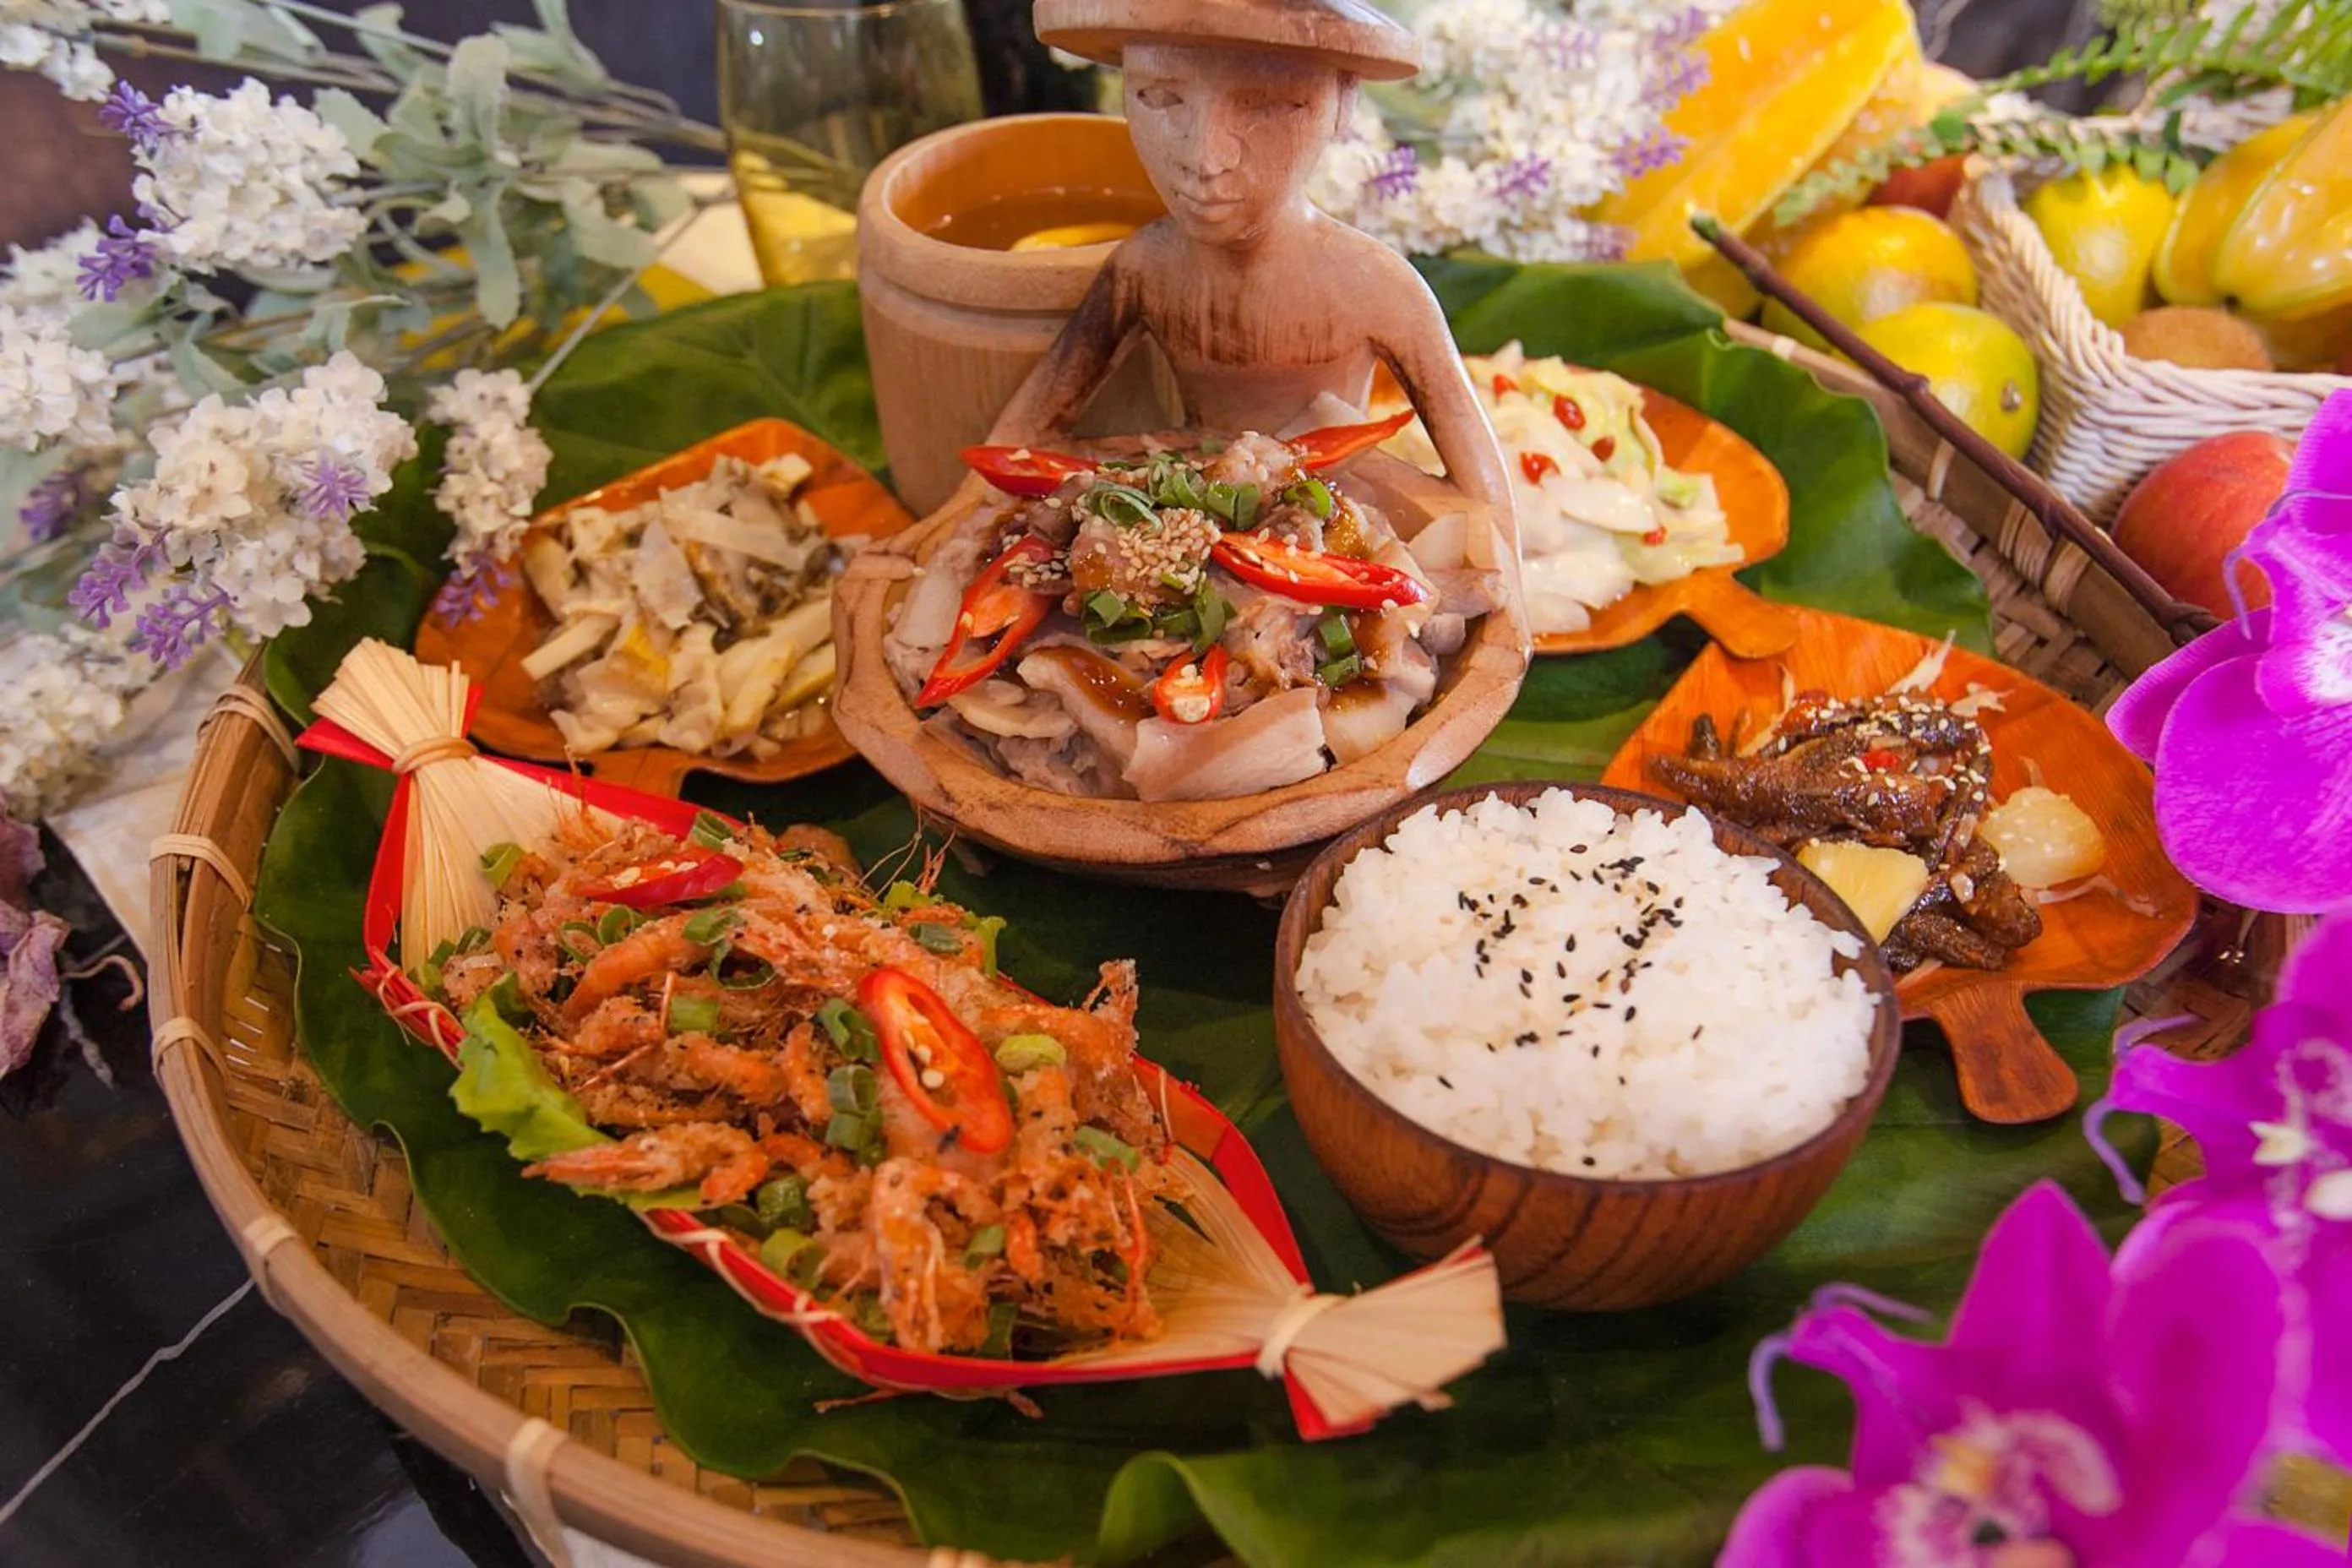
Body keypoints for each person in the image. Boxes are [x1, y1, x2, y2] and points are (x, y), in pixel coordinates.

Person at [993, 0, 1514, 520]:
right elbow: (1015, 441)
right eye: (1160, 97)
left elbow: (1486, 496)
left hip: (1337, 516)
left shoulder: (1377, 287)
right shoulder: (1144, 269)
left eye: (1266, 105)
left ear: (1343, 103)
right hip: (1183, 507)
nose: (1204, 158)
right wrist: (967, 522)